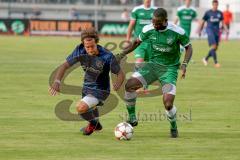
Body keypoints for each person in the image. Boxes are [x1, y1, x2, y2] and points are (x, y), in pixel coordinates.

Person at [117, 8, 193, 138]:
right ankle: (133, 118)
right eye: (153, 22)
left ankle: (173, 126)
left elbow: (189, 47)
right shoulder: (148, 29)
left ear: (165, 21)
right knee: (129, 86)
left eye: (158, 23)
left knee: (168, 104)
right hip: (152, 66)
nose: (155, 25)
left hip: (169, 69)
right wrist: (122, 54)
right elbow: (136, 42)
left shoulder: (177, 31)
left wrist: (184, 64)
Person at [49, 28, 125, 136]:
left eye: (92, 46)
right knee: (90, 107)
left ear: (96, 43)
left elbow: (120, 73)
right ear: (83, 44)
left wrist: (118, 83)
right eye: (87, 47)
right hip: (87, 87)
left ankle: (93, 124)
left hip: (101, 90)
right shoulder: (80, 50)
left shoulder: (107, 56)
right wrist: (57, 81)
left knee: (81, 108)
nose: (90, 50)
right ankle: (97, 124)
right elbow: (65, 66)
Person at [126, 0, 156, 95]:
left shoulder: (155, 10)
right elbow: (131, 25)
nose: (148, 1)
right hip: (139, 42)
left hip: (152, 42)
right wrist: (127, 40)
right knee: (139, 61)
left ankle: (145, 88)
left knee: (149, 65)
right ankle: (135, 85)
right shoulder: (137, 10)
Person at [198, 0, 226, 68]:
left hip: (217, 31)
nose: (215, 6)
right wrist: (200, 30)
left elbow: (222, 22)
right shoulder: (208, 13)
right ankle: (216, 63)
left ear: (218, 5)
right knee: (214, 46)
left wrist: (225, 28)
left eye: (216, 5)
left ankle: (205, 59)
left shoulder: (220, 13)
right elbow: (203, 22)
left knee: (215, 48)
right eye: (214, 5)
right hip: (209, 30)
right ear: (212, 5)